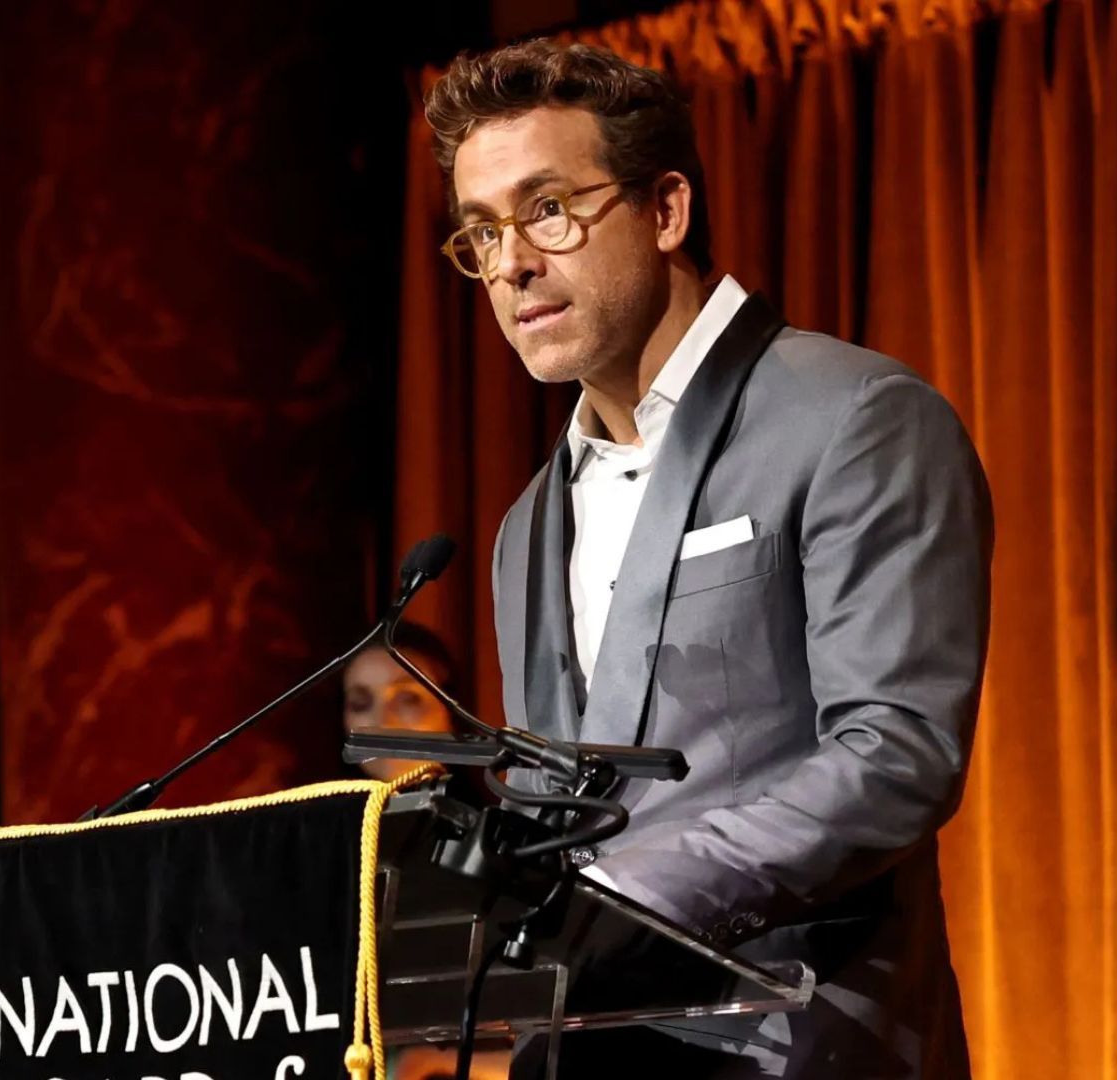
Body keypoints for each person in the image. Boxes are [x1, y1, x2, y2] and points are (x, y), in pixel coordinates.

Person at [423, 40, 994, 1078]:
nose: (511, 264)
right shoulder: (524, 527)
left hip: (798, 1047)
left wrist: (636, 892)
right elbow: (562, 812)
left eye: (547, 208)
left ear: (666, 209)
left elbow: (895, 752)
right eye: (482, 232)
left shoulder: (854, 418)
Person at [341, 620, 463, 783]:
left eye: (407, 700)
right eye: (360, 703)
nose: (383, 722)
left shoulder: (501, 806)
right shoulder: (317, 807)